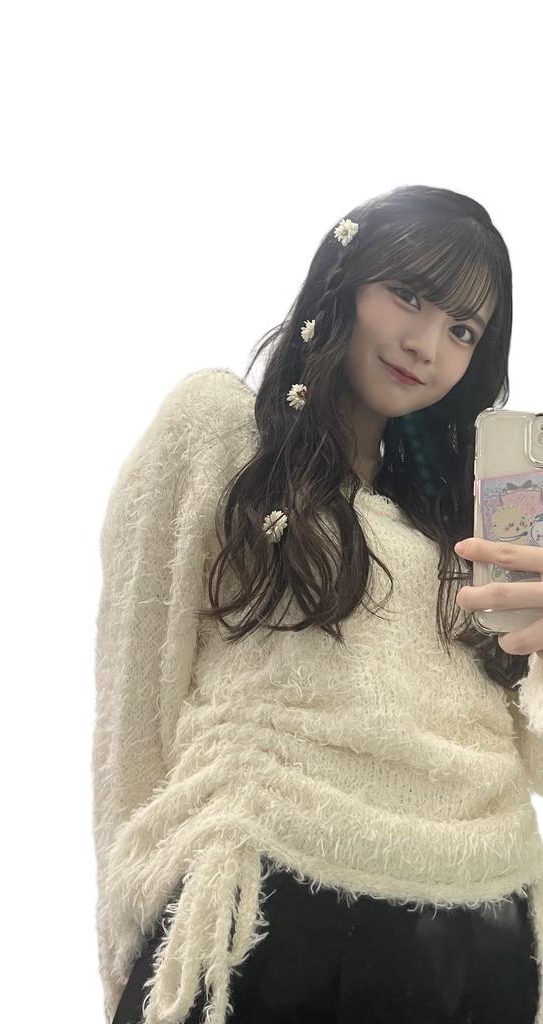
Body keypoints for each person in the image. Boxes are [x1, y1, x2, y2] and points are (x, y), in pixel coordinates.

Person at [91, 184, 543, 1024]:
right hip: (268, 902)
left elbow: (534, 755)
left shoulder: (471, 523)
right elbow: (134, 708)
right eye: (409, 294)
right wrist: (126, 927)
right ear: (344, 277)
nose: (426, 345)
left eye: (463, 330)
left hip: (479, 929)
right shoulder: (220, 432)